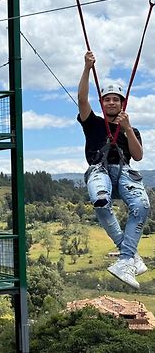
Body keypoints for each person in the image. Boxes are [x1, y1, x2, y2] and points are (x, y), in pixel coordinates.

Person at [78, 50, 150, 289]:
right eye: (107, 99)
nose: (111, 102)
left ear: (122, 104)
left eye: (115, 99)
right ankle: (128, 256)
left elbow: (137, 156)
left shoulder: (131, 129)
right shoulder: (94, 124)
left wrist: (128, 128)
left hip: (125, 172)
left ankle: (127, 258)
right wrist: (88, 68)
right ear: (102, 103)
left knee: (141, 206)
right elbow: (82, 100)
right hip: (100, 170)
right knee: (101, 201)